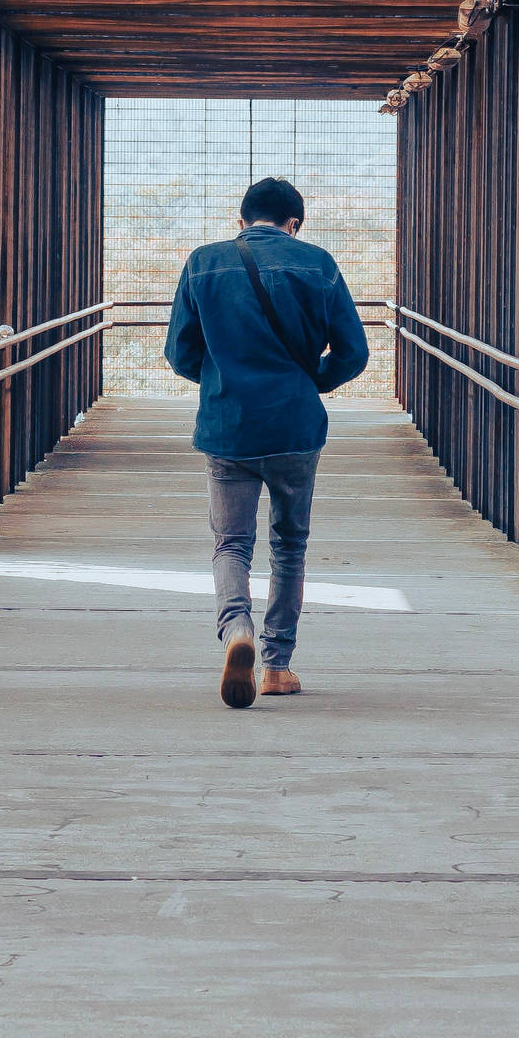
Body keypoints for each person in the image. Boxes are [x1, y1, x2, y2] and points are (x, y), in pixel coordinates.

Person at [164, 177, 370, 708]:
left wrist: (221, 381)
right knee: (289, 546)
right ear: (293, 223)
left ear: (242, 221)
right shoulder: (318, 263)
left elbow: (179, 352)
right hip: (294, 428)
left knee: (231, 543)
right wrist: (309, 383)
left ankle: (237, 630)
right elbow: (353, 351)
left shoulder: (204, 262)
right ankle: (277, 666)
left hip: (227, 428)